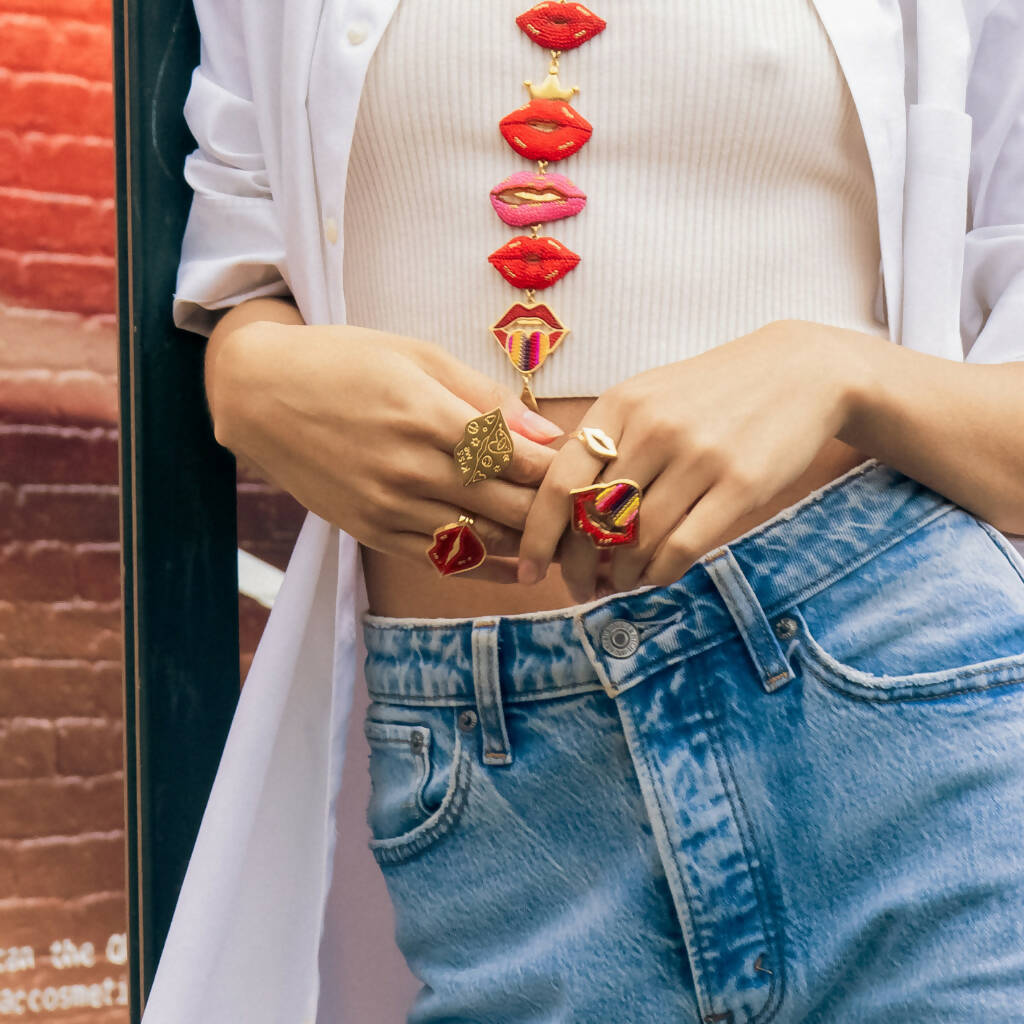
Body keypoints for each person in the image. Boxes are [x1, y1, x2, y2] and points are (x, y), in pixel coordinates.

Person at [143, 1, 1024, 1022]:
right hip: (495, 788)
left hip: (896, 712)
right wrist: (241, 373)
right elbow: (241, 266)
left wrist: (836, 374)